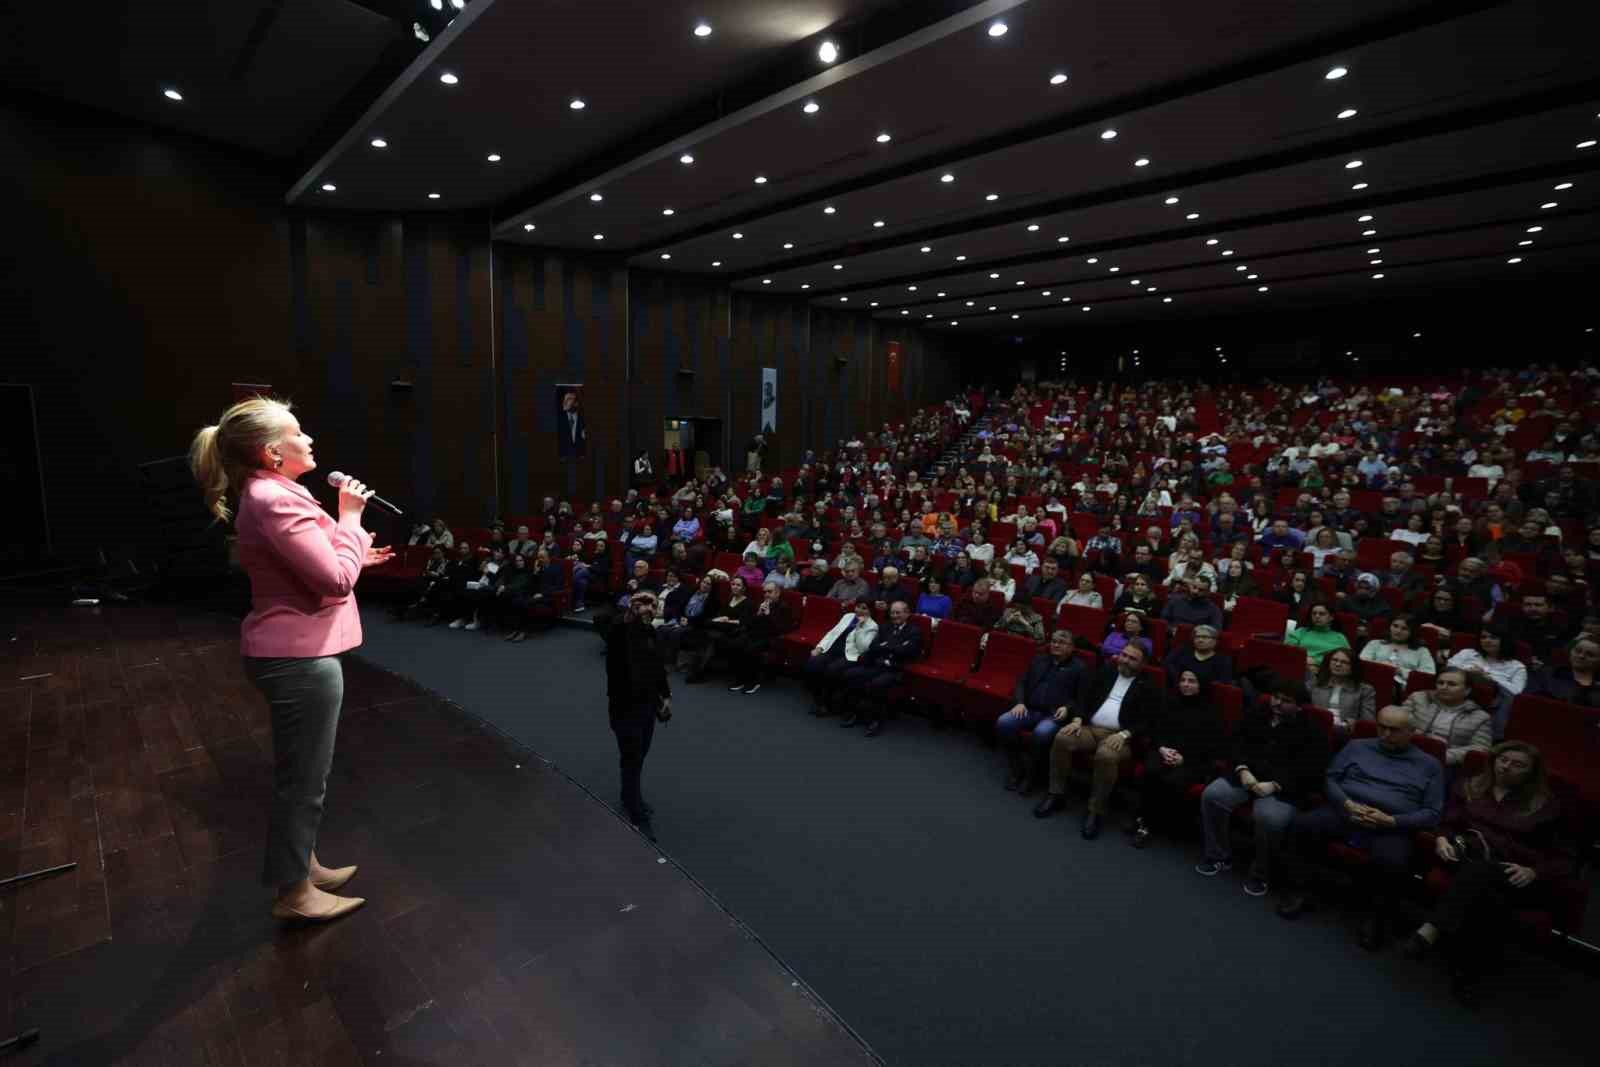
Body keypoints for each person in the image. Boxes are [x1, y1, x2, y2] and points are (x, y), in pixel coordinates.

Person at [189, 397, 389, 923]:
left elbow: (318, 565)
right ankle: (295, 894)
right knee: (303, 781)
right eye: (299, 433)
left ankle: (303, 865)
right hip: (298, 658)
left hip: (294, 651)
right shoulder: (275, 499)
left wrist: (353, 548)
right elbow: (333, 580)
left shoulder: (276, 491)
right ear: (272, 452)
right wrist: (349, 518)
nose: (310, 440)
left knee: (303, 778)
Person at [1402, 741, 1576, 1007]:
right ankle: (1466, 974)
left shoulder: (1546, 805)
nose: (1507, 767)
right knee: (1480, 882)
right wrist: (1442, 840)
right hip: (1466, 858)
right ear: (1493, 760)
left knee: (1484, 886)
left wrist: (1535, 871)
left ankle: (1433, 929)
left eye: (1518, 765)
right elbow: (1449, 823)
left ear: (1532, 771)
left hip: (1512, 872)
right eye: (1503, 760)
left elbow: (1566, 858)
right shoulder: (1472, 786)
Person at [1277, 705, 1443, 950]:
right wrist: (1346, 804)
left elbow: (1432, 813)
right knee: (1302, 825)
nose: (1386, 734)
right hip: (1346, 810)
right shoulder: (1357, 746)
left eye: (1394, 730)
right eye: (1382, 727)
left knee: (1393, 862)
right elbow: (1330, 778)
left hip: (1391, 823)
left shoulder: (1429, 765)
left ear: (1412, 732)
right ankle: (1301, 891)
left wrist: (1391, 821)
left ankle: (1375, 918)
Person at [1196, 674, 1328, 898]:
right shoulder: (1257, 713)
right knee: (1213, 795)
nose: (1276, 703)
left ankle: (1260, 873)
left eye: (1285, 700)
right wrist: (1242, 769)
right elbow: (1235, 742)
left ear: (1298, 706)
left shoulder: (1312, 730)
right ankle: (1218, 856)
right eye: (1275, 697)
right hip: (1247, 776)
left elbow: (1310, 769)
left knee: (1270, 818)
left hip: (1283, 789)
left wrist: (1276, 785)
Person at [1033, 642, 1162, 839]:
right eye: (1124, 655)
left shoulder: (1149, 685)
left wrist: (1124, 734)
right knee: (1062, 737)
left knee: (1106, 755)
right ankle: (1056, 794)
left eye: (1132, 658)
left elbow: (1148, 721)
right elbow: (1084, 697)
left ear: (1143, 663)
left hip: (1120, 737)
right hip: (1090, 728)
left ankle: (1096, 810)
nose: (1125, 660)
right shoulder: (1107, 671)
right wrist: (1077, 719)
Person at [602, 591, 673, 843]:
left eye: (653, 605)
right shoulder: (621, 631)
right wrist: (630, 613)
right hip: (624, 706)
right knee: (632, 755)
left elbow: (657, 669)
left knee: (639, 753)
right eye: (643, 604)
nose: (649, 608)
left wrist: (666, 696)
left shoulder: (651, 634)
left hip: (646, 706)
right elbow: (611, 628)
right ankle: (635, 811)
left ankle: (629, 796)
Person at [1130, 670, 1225, 848]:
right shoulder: (1169, 702)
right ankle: (1144, 819)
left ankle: (1148, 823)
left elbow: (1211, 747)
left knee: (1173, 780)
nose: (1186, 684)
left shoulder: (1210, 711)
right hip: (1164, 751)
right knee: (1151, 770)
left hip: (1193, 761)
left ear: (1201, 685)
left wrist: (1184, 759)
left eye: (1192, 681)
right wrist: (1162, 748)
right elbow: (1156, 729)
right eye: (1183, 680)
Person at [996, 629, 1086, 794]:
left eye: (1061, 642)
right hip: (1029, 709)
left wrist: (1068, 708)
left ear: (1072, 647)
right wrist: (1020, 702)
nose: (1056, 645)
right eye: (1054, 641)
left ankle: (1032, 776)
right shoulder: (1040, 660)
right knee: (1004, 722)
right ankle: (1017, 769)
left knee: (1041, 733)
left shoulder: (1079, 668)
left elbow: (1081, 697)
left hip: (1053, 715)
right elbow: (1021, 682)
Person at [837, 600, 923, 736]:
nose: (895, 615)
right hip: (878, 664)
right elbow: (874, 647)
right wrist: (894, 647)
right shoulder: (885, 627)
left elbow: (907, 651)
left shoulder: (914, 631)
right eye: (892, 613)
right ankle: (856, 713)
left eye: (898, 612)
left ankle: (875, 720)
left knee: (877, 684)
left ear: (907, 614)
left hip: (895, 669)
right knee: (851, 674)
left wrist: (886, 646)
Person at [1447, 626, 1528, 739]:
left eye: (1493, 638)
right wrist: (1467, 672)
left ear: (1504, 640)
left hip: (1492, 707)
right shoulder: (1468, 653)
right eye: (1483, 637)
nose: (1487, 640)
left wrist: (1488, 677)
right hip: (1458, 696)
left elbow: (1516, 692)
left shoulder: (1516, 666)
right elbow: (1448, 669)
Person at [1403, 668, 1492, 766]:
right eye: (1440, 683)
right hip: (1407, 750)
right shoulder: (1419, 698)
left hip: (1444, 762)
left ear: (1467, 690)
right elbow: (1397, 722)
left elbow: (1480, 749)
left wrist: (1443, 756)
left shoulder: (1480, 717)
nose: (1444, 687)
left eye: (1452, 684)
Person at [804, 599, 879, 716]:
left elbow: (863, 648)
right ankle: (818, 698)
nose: (860, 610)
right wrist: (819, 647)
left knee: (832, 670)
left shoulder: (872, 626)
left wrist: (859, 628)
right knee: (813, 664)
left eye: (864, 608)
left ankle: (826, 704)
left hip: (849, 655)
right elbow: (832, 633)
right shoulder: (848, 616)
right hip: (833, 649)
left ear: (870, 611)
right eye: (858, 606)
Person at [722, 580, 795, 694]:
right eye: (765, 592)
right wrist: (758, 614)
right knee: (736, 643)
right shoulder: (763, 604)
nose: (766, 594)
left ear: (777, 593)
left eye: (769, 592)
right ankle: (741, 678)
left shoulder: (784, 607)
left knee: (750, 649)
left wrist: (768, 615)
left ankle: (753, 681)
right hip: (756, 634)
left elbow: (781, 629)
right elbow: (751, 624)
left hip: (771, 638)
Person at [1359, 614, 1436, 689]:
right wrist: (1384, 668)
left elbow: (1428, 675)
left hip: (1402, 688)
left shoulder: (1422, 651)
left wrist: (1399, 671)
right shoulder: (1375, 643)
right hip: (1372, 683)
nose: (1398, 631)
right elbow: (1362, 663)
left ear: (1412, 632)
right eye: (1395, 626)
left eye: (1404, 629)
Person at [1308, 647, 1377, 729]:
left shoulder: (1365, 690)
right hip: (1317, 727)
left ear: (1353, 667)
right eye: (1334, 660)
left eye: (1344, 662)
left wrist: (1350, 723)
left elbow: (1368, 720)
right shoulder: (1315, 683)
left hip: (1345, 731)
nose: (1338, 664)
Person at [1527, 635, 1600, 707]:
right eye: (1578, 651)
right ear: (1571, 652)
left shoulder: (1597, 688)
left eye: (1590, 655)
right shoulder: (1546, 673)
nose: (1581, 656)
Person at [1285, 602, 1350, 671]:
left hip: (1324, 671)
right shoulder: (1301, 631)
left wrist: (1317, 662)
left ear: (1331, 617)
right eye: (1314, 613)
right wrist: (1304, 659)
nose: (1317, 616)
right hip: (1297, 666)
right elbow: (1288, 651)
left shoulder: (1339, 637)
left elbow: (1346, 660)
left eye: (1322, 614)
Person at [1163, 624, 1234, 687]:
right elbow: (1168, 663)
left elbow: (1223, 683)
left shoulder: (1223, 660)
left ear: (1215, 641)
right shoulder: (1183, 650)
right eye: (1197, 637)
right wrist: (1180, 680)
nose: (1200, 640)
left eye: (1205, 637)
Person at [558, 389, 587, 458]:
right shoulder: (559, 420)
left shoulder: (584, 420)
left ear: (576, 403)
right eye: (564, 399)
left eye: (568, 399)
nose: (564, 402)